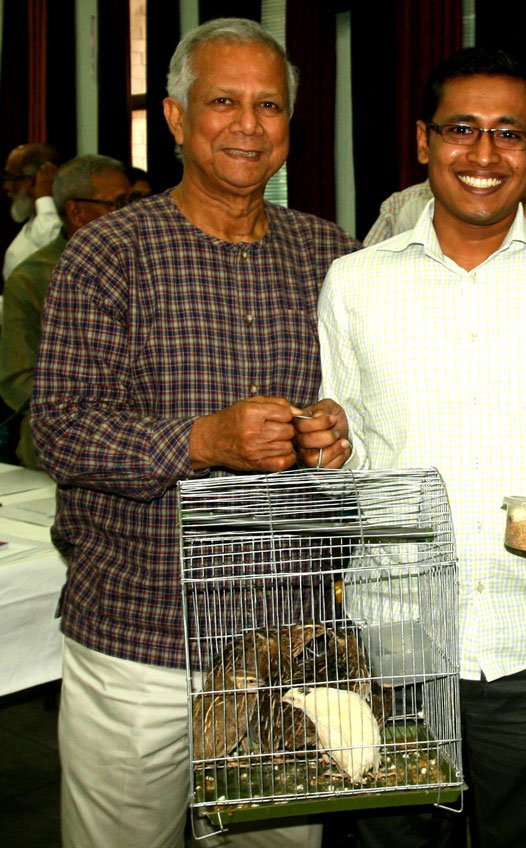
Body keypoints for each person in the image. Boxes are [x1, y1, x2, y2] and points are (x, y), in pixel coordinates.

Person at [300, 47, 526, 848]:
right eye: (461, 130)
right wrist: (329, 446)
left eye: (509, 134)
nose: (484, 156)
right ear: (423, 141)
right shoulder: (354, 282)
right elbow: (350, 438)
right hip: (393, 645)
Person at [31, 18, 355, 848]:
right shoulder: (108, 254)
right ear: (175, 118)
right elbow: (59, 432)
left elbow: (372, 400)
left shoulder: (330, 256)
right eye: (223, 102)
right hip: (141, 636)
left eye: (269, 106)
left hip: (288, 635)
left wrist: (336, 433)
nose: (248, 125)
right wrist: (200, 442)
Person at [0, 154, 130, 469]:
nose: (130, 214)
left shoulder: (148, 266)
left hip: (148, 435)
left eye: (135, 201)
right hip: (69, 442)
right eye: (117, 203)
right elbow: (17, 379)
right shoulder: (33, 277)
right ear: (75, 211)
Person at [3, 141, 60, 281]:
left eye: (12, 178)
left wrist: (44, 196)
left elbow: (54, 248)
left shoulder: (60, 223)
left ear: (34, 180)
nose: (6, 186)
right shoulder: (32, 224)